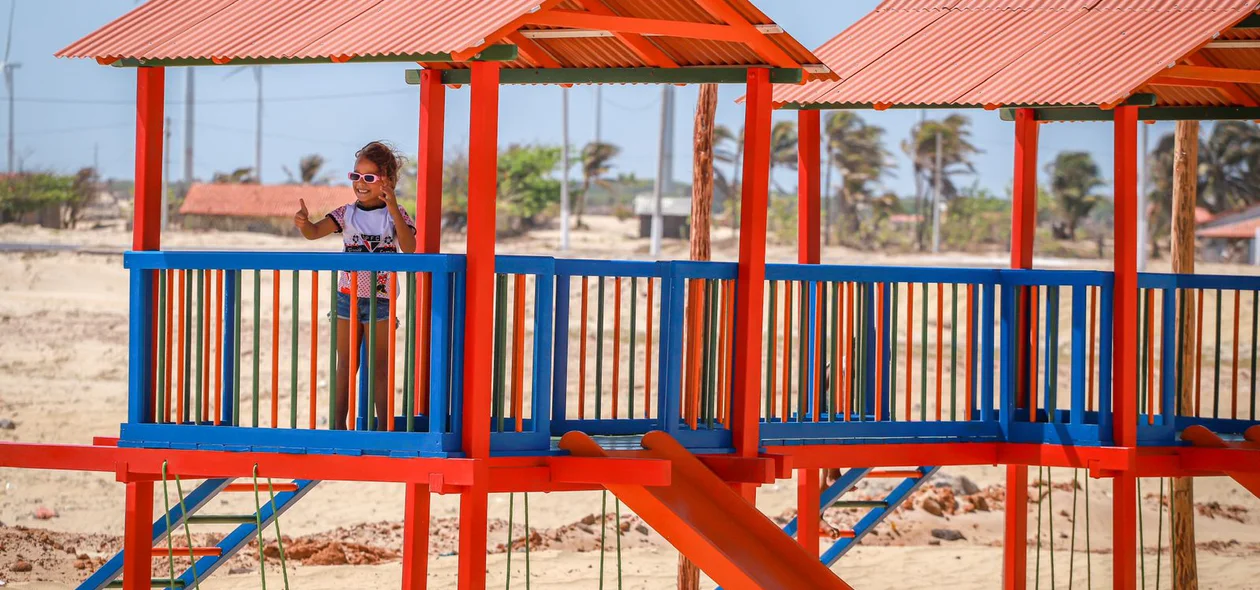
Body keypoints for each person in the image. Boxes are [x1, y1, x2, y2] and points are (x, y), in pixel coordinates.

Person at [293, 141, 416, 430]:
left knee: (380, 368)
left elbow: (410, 249)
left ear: (387, 181)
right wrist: (303, 223)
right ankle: (338, 428)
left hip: (382, 300)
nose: (361, 183)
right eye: (356, 176)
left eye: (369, 177)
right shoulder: (345, 214)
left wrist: (394, 208)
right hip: (346, 299)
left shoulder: (394, 215)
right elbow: (314, 233)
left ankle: (385, 430)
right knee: (345, 365)